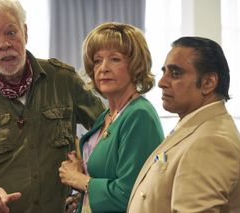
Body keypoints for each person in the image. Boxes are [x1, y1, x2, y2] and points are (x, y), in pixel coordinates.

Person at [0, 0, 105, 212]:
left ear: (25, 32)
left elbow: (109, 134)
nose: (3, 44)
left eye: (11, 32)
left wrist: (85, 182)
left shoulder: (63, 80)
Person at [127, 36, 240, 213]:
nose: (162, 82)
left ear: (208, 83)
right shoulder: (196, 128)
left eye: (175, 73)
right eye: (164, 71)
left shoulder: (211, 141)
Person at [58, 22, 164, 213]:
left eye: (114, 59)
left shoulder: (139, 115)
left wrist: (79, 180)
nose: (103, 68)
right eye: (97, 60)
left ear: (136, 65)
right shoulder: (108, 115)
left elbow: (131, 194)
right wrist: (82, 196)